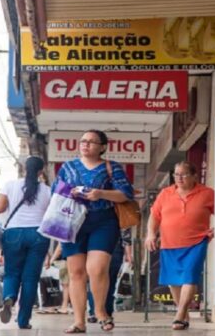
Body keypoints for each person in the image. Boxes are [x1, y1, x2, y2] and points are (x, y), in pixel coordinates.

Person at [54, 129, 134, 334]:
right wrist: (70, 192)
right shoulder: (68, 167)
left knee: (97, 269)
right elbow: (56, 191)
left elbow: (125, 194)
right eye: (83, 141)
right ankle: (79, 321)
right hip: (72, 221)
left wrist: (101, 194)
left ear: (102, 147)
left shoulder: (111, 167)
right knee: (76, 272)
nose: (86, 144)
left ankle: (100, 311)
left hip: (103, 221)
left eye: (91, 142)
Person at [145, 161, 214, 331]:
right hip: (169, 242)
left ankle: (179, 314)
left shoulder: (207, 193)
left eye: (184, 174)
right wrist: (151, 234)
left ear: (194, 176)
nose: (179, 178)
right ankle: (185, 316)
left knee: (190, 276)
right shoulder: (165, 193)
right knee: (173, 281)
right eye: (176, 174)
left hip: (197, 241)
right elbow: (154, 216)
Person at [0, 156, 52, 330]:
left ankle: (9, 297)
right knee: (30, 279)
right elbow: (51, 216)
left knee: (12, 273)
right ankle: (23, 320)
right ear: (41, 172)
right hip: (38, 234)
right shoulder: (48, 191)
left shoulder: (10, 185)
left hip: (13, 233)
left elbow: (0, 208)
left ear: (24, 169)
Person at [87, 229, 133, 323]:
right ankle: (97, 311)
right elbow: (126, 233)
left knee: (107, 279)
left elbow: (125, 230)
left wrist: (128, 253)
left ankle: (103, 311)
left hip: (114, 243)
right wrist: (128, 253)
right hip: (105, 243)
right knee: (97, 278)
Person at [46, 243, 71, 314]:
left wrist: (51, 260)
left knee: (53, 284)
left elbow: (59, 247)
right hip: (65, 260)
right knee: (65, 285)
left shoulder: (58, 234)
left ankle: (52, 306)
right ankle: (64, 306)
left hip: (59, 261)